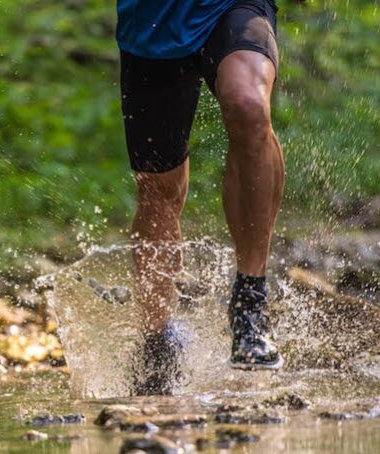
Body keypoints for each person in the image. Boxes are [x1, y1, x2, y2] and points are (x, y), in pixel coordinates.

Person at [118, 0, 285, 395]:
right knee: (159, 189)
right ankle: (157, 343)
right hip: (152, 23)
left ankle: (250, 303)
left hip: (232, 5)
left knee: (248, 103)